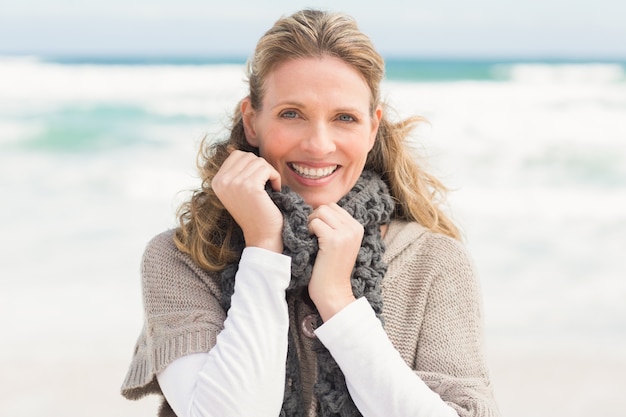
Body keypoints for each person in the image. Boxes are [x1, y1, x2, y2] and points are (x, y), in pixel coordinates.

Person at [121, 8, 499, 417]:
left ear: (372, 129)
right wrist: (263, 249)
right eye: (291, 114)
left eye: (344, 118)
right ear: (252, 121)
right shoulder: (181, 259)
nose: (319, 145)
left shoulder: (433, 261)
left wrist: (338, 301)